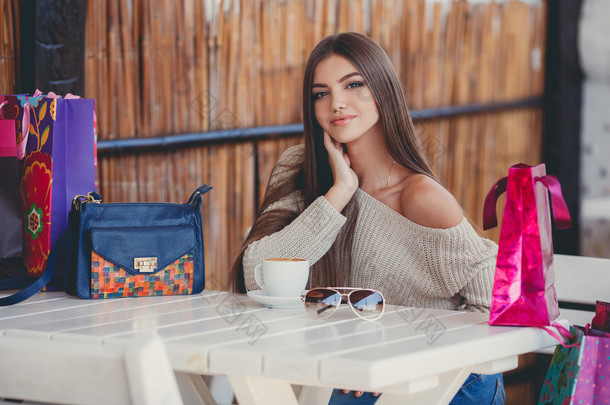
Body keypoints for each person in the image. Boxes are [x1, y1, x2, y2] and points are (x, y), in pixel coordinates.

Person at [229, 32, 504, 404]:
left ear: (383, 92)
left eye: (354, 85)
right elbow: (257, 273)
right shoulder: (300, 170)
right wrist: (339, 192)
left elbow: (493, 307)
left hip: (440, 378)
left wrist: (400, 361)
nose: (337, 103)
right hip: (340, 369)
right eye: (321, 93)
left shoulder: (419, 197)